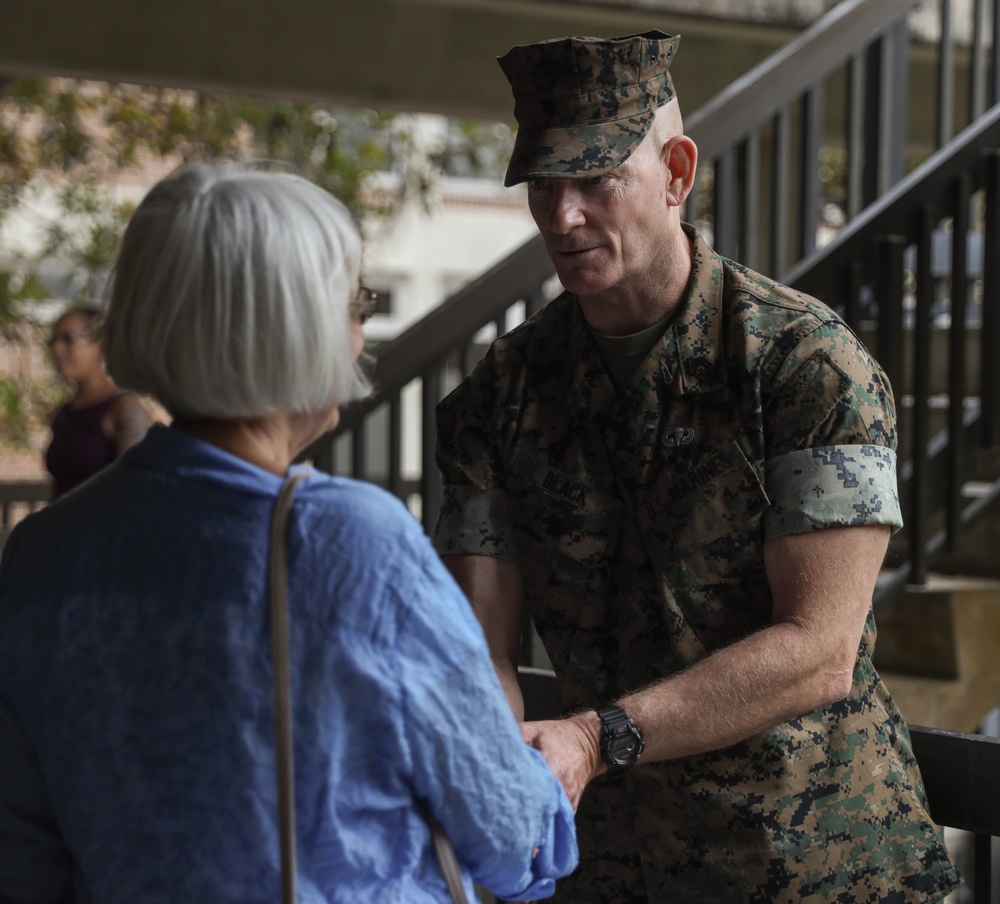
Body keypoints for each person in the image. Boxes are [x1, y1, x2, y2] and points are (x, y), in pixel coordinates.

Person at [433, 30, 961, 903]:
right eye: (543, 184)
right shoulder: (501, 394)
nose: (562, 217)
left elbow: (820, 650)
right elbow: (482, 643)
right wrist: (503, 769)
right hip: (610, 867)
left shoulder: (804, 366)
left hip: (817, 866)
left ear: (677, 173)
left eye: (596, 179)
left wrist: (597, 739)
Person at [0, 164, 577, 903]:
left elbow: (22, 849)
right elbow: (509, 837)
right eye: (357, 303)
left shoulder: (44, 551)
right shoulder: (351, 544)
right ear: (297, 327)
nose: (361, 327)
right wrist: (549, 772)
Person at [44, 304, 152, 499]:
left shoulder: (122, 408)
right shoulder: (65, 413)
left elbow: (137, 490)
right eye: (53, 340)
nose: (57, 349)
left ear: (100, 344)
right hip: (61, 528)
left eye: (68, 339)